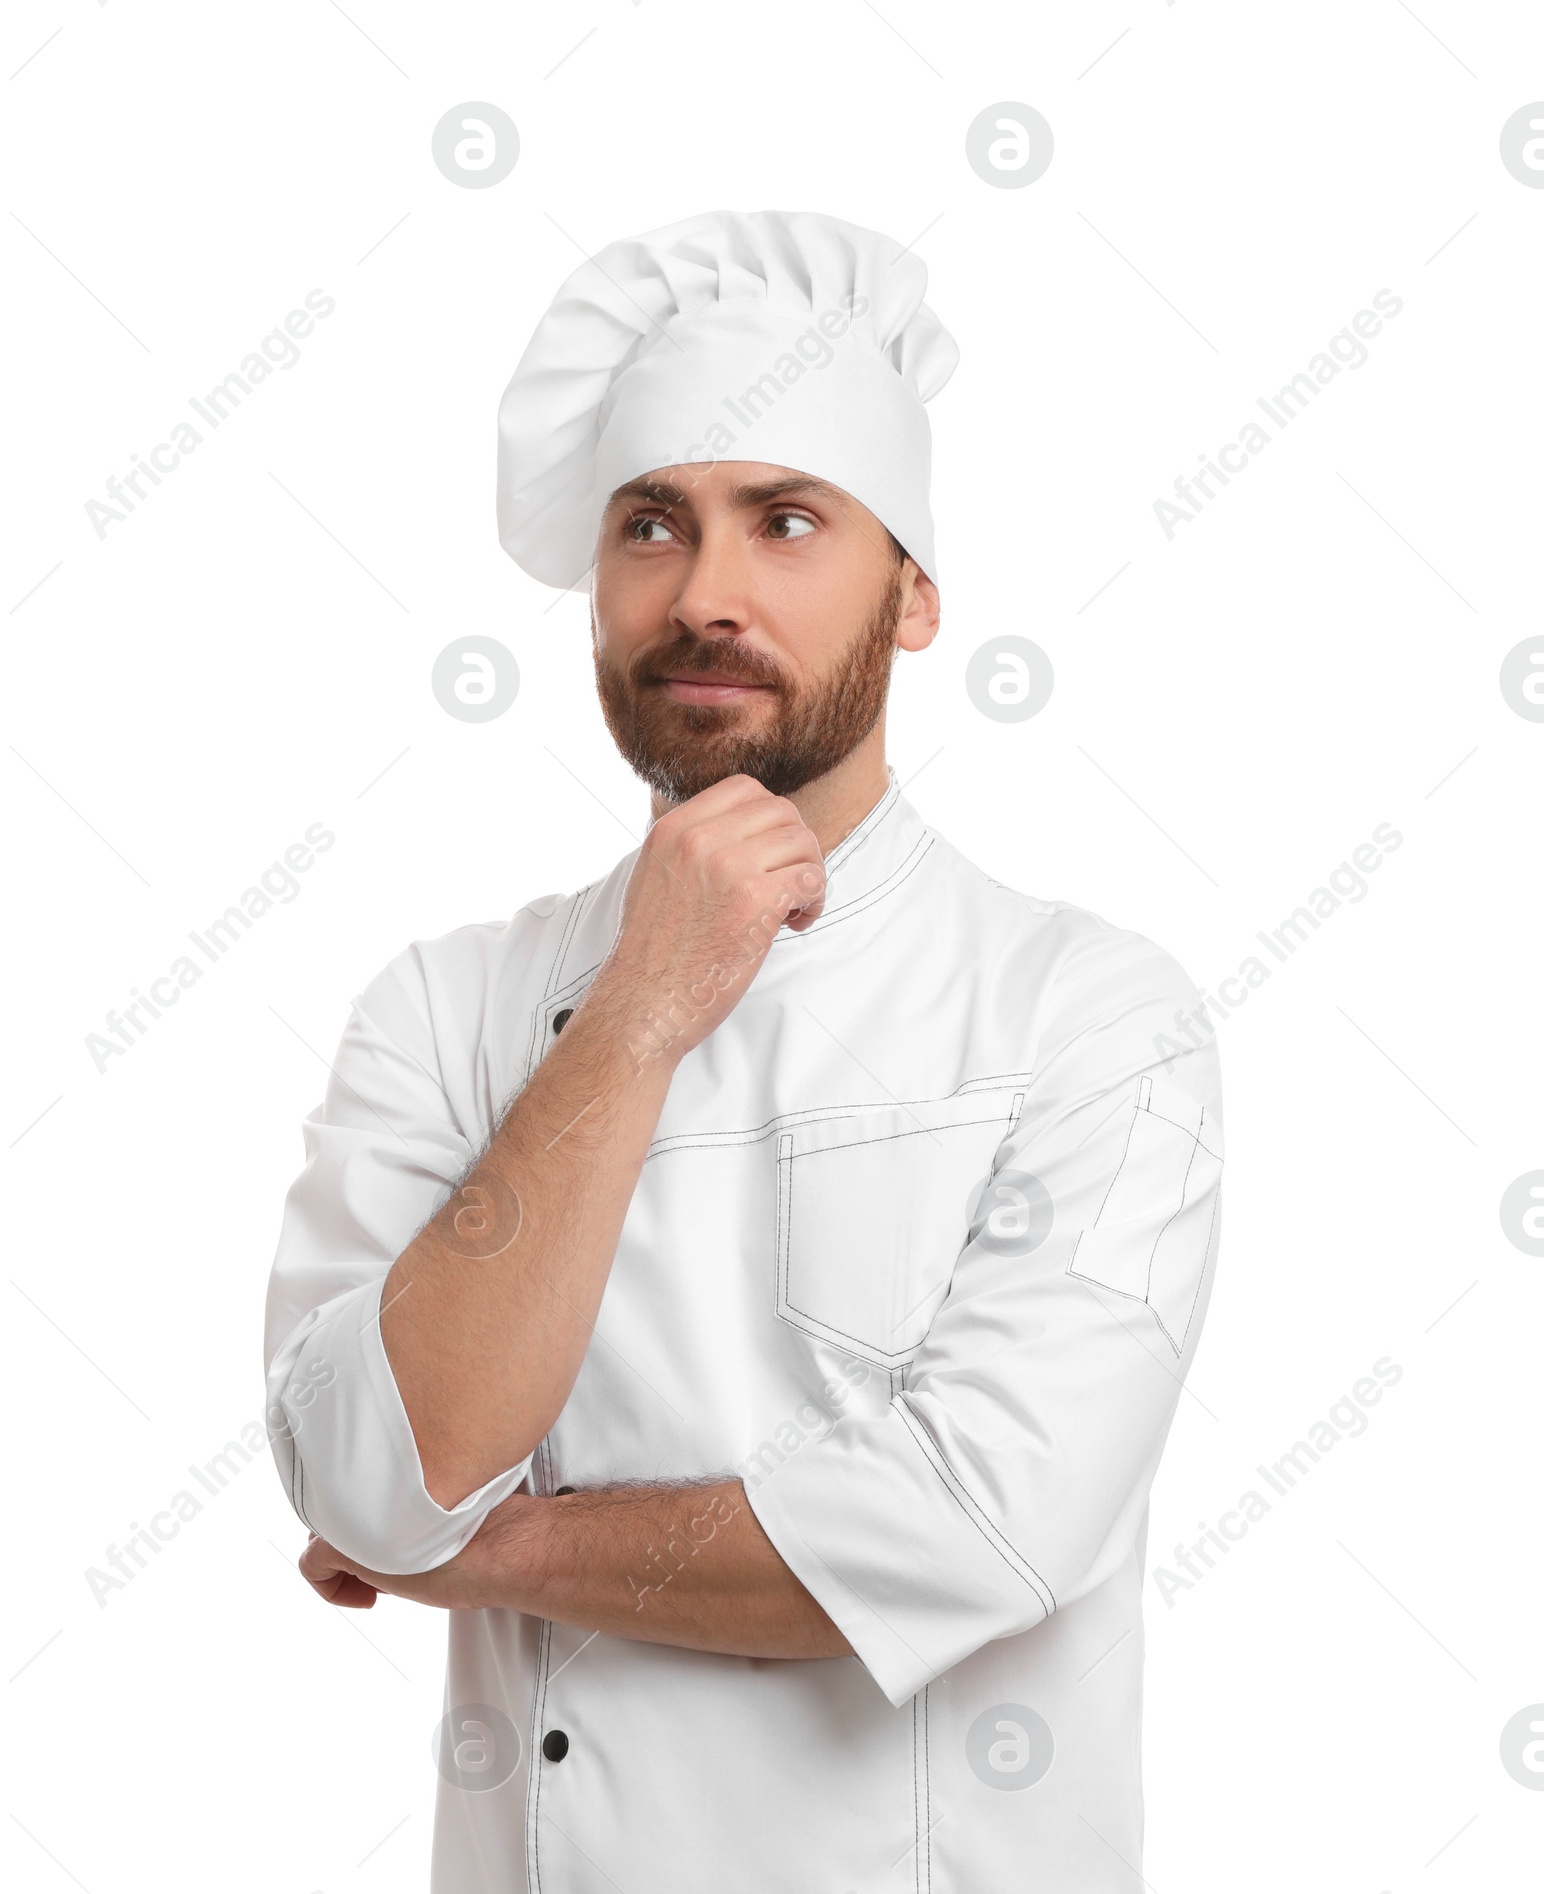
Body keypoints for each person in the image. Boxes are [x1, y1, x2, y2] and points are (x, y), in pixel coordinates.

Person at [262, 208, 1224, 1893]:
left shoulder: (1090, 1014)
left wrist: (478, 1555)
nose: (707, 594)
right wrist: (637, 1014)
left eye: (788, 521)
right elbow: (360, 1471)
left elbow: (974, 1524)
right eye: (654, 524)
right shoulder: (446, 1007)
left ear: (912, 594)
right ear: (594, 595)